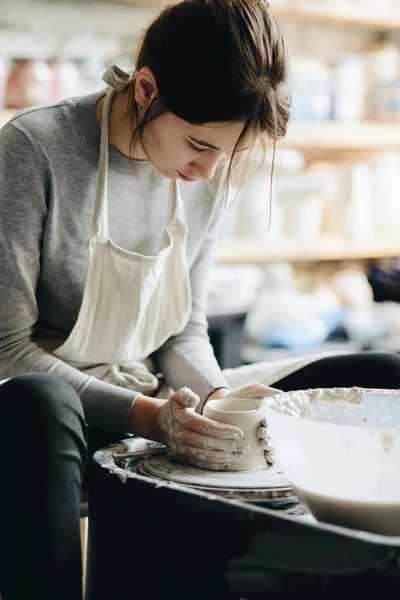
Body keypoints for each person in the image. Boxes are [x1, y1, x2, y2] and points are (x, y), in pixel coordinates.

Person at [1, 1, 400, 598]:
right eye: (197, 144)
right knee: (40, 401)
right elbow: (7, 351)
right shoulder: (35, 149)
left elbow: (184, 329)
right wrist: (150, 419)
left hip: (161, 403)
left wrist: (215, 402)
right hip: (59, 415)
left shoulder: (206, 172)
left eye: (229, 155)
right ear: (145, 89)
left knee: (378, 372)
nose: (209, 172)